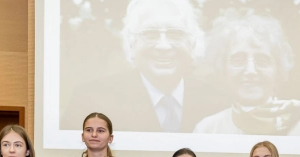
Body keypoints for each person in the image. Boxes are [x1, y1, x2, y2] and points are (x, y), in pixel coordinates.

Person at [60, 0, 227, 132]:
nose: (163, 46)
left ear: (192, 44)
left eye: (175, 34)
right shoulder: (89, 102)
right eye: (150, 34)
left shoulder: (218, 105)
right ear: (131, 44)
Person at [194, 10, 300, 136]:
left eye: (262, 60)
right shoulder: (207, 130)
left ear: (278, 68)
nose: (250, 71)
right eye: (238, 60)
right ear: (223, 67)